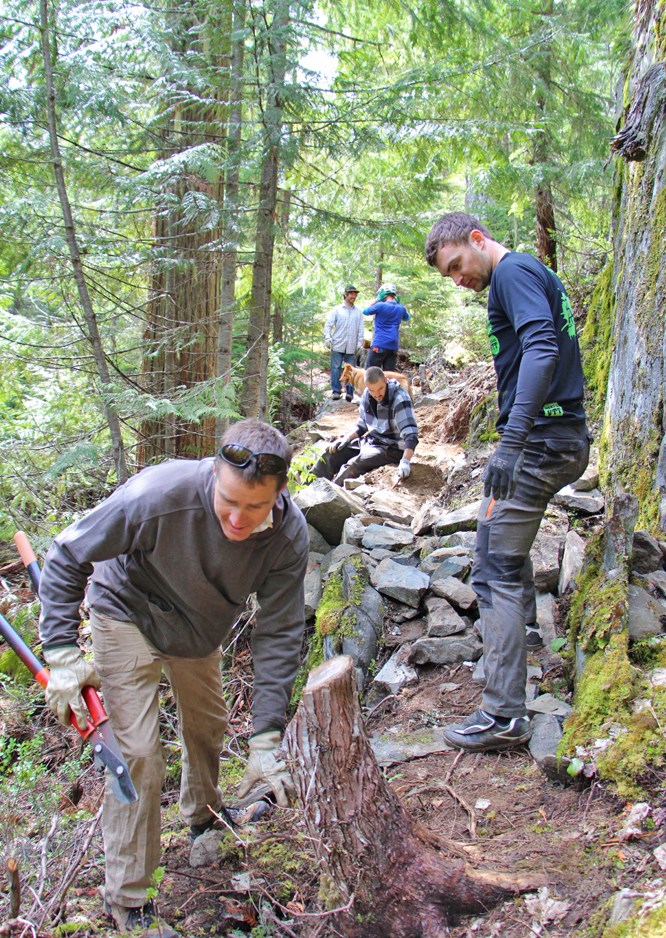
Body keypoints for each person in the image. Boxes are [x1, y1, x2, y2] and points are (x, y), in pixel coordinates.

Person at [37, 420, 309, 936]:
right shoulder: (159, 493)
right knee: (138, 755)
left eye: (254, 508)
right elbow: (68, 552)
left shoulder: (288, 537)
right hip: (127, 611)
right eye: (228, 500)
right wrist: (62, 652)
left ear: (279, 494)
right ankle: (129, 897)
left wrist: (268, 738)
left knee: (207, 726)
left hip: (200, 628)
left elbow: (279, 633)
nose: (237, 517)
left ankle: (204, 816)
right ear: (213, 474)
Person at [425, 211, 590, 753]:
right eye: (448, 275)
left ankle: (503, 715)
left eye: (456, 265)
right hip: (556, 438)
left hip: (540, 443)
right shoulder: (526, 273)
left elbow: (543, 350)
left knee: (492, 568)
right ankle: (514, 677)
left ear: (477, 240)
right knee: (507, 561)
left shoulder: (514, 272)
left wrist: (512, 442)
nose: (458, 279)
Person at [312, 366, 418, 486]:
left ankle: (330, 497)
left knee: (353, 465)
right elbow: (362, 425)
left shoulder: (400, 399)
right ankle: (304, 494)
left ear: (386, 381)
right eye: (372, 390)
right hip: (371, 441)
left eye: (380, 389)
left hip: (392, 449)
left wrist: (405, 461)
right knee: (331, 455)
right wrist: (346, 439)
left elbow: (411, 435)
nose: (377, 394)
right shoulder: (367, 394)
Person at [323, 284, 365, 401]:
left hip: (352, 346)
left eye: (355, 294)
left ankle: (350, 393)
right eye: (351, 293)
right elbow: (329, 324)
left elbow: (361, 329)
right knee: (335, 367)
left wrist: (360, 343)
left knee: (351, 369)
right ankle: (336, 391)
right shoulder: (337, 310)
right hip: (337, 344)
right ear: (345, 295)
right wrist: (327, 337)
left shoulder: (358, 312)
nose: (353, 296)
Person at [363, 283, 410, 372]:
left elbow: (365, 311)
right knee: (389, 376)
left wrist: (376, 300)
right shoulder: (401, 308)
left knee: (370, 373)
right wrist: (399, 304)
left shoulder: (380, 305)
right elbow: (407, 317)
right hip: (393, 346)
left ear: (382, 293)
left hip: (379, 344)